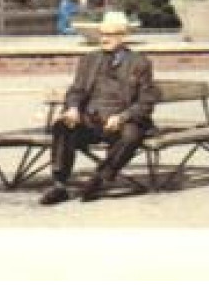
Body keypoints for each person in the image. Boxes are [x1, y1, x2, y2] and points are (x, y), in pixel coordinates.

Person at [40, 12, 158, 205]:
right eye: (102, 33)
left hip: (122, 122)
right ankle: (59, 185)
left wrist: (123, 116)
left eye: (110, 34)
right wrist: (72, 108)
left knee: (131, 135)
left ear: (123, 36)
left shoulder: (139, 62)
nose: (104, 38)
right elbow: (76, 90)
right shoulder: (89, 60)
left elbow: (146, 102)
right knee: (63, 126)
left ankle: (100, 179)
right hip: (91, 120)